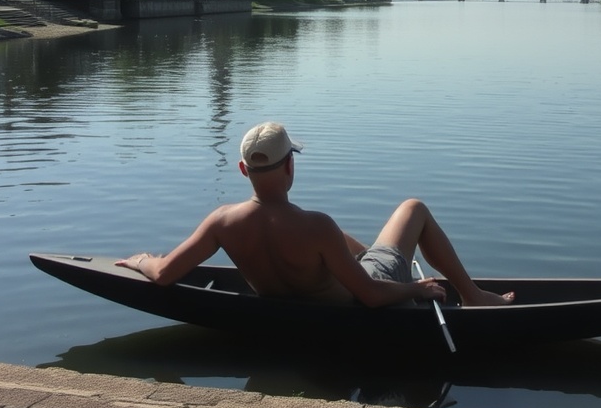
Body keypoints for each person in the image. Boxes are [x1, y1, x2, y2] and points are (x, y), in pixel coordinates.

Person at [118, 121, 513, 307]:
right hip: (358, 295)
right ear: (290, 166)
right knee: (413, 209)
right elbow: (372, 295)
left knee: (343, 243)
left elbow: (165, 272)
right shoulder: (315, 226)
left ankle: (363, 256)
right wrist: (416, 289)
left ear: (243, 170)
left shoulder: (222, 222)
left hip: (295, 292)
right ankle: (474, 296)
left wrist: (141, 260)